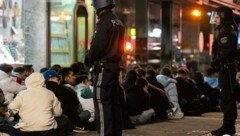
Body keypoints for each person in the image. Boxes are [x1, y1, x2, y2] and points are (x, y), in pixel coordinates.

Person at [84, 0, 125, 135]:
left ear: (100, 6)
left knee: (101, 103)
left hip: (103, 67)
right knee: (114, 103)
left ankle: (104, 133)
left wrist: (88, 58)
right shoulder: (118, 21)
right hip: (114, 67)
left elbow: (98, 46)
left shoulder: (104, 22)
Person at [209, 6, 238, 136]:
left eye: (217, 16)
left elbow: (224, 52)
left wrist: (215, 63)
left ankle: (228, 127)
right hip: (226, 70)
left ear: (223, 16)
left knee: (227, 99)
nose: (215, 19)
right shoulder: (227, 29)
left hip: (226, 71)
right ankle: (228, 126)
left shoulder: (225, 31)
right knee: (228, 99)